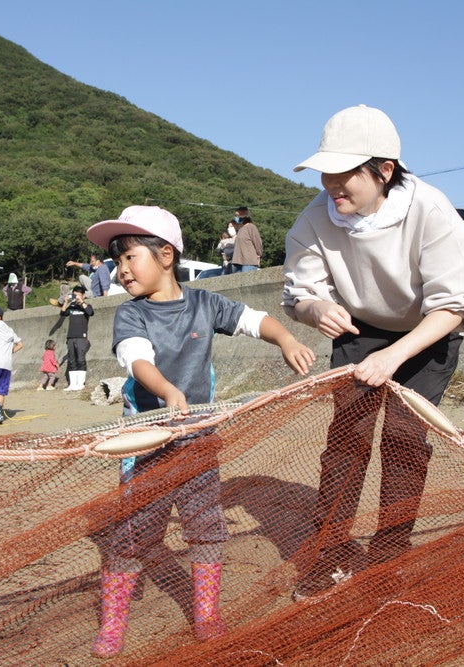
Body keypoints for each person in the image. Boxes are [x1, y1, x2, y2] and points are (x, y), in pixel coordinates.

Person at [83, 205, 316, 657]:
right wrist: (168, 391)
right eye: (117, 262)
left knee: (206, 528)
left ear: (166, 255)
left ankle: (207, 613)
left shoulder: (207, 303)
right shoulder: (131, 315)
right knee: (133, 533)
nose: (122, 270)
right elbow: (136, 360)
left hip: (199, 438)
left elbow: (254, 320)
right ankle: (113, 622)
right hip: (146, 440)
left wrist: (286, 339)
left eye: (130, 257)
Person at [282, 105, 464, 599]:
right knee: (348, 434)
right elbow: (297, 295)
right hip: (360, 327)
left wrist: (394, 357)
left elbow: (456, 306)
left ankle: (388, 557)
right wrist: (314, 310)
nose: (332, 183)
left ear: (384, 171)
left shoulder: (429, 210)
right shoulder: (314, 219)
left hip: (428, 330)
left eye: (345, 172)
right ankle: (327, 552)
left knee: (403, 435)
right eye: (326, 172)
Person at [49, 285, 94, 391]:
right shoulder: (72, 306)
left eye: (78, 295)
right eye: (75, 295)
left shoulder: (86, 306)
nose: (76, 297)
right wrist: (65, 302)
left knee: (81, 359)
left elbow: (90, 312)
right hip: (70, 336)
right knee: (72, 360)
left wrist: (81, 302)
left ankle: (80, 384)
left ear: (83, 295)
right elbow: (63, 313)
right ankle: (73, 384)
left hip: (81, 337)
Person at [229, 206, 262, 273]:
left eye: (237, 215)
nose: (236, 217)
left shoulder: (251, 227)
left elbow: (258, 243)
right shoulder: (240, 229)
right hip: (236, 262)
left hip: (248, 263)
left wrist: (259, 255)